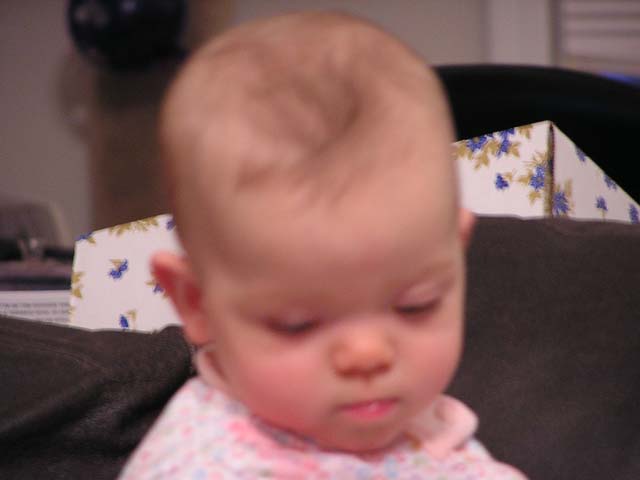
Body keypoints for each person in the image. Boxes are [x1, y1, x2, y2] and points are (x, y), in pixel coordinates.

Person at [119, 11, 527, 479]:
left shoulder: (424, 426)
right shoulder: (206, 465)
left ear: (458, 255)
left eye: (416, 306)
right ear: (196, 302)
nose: (367, 354)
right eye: (298, 325)